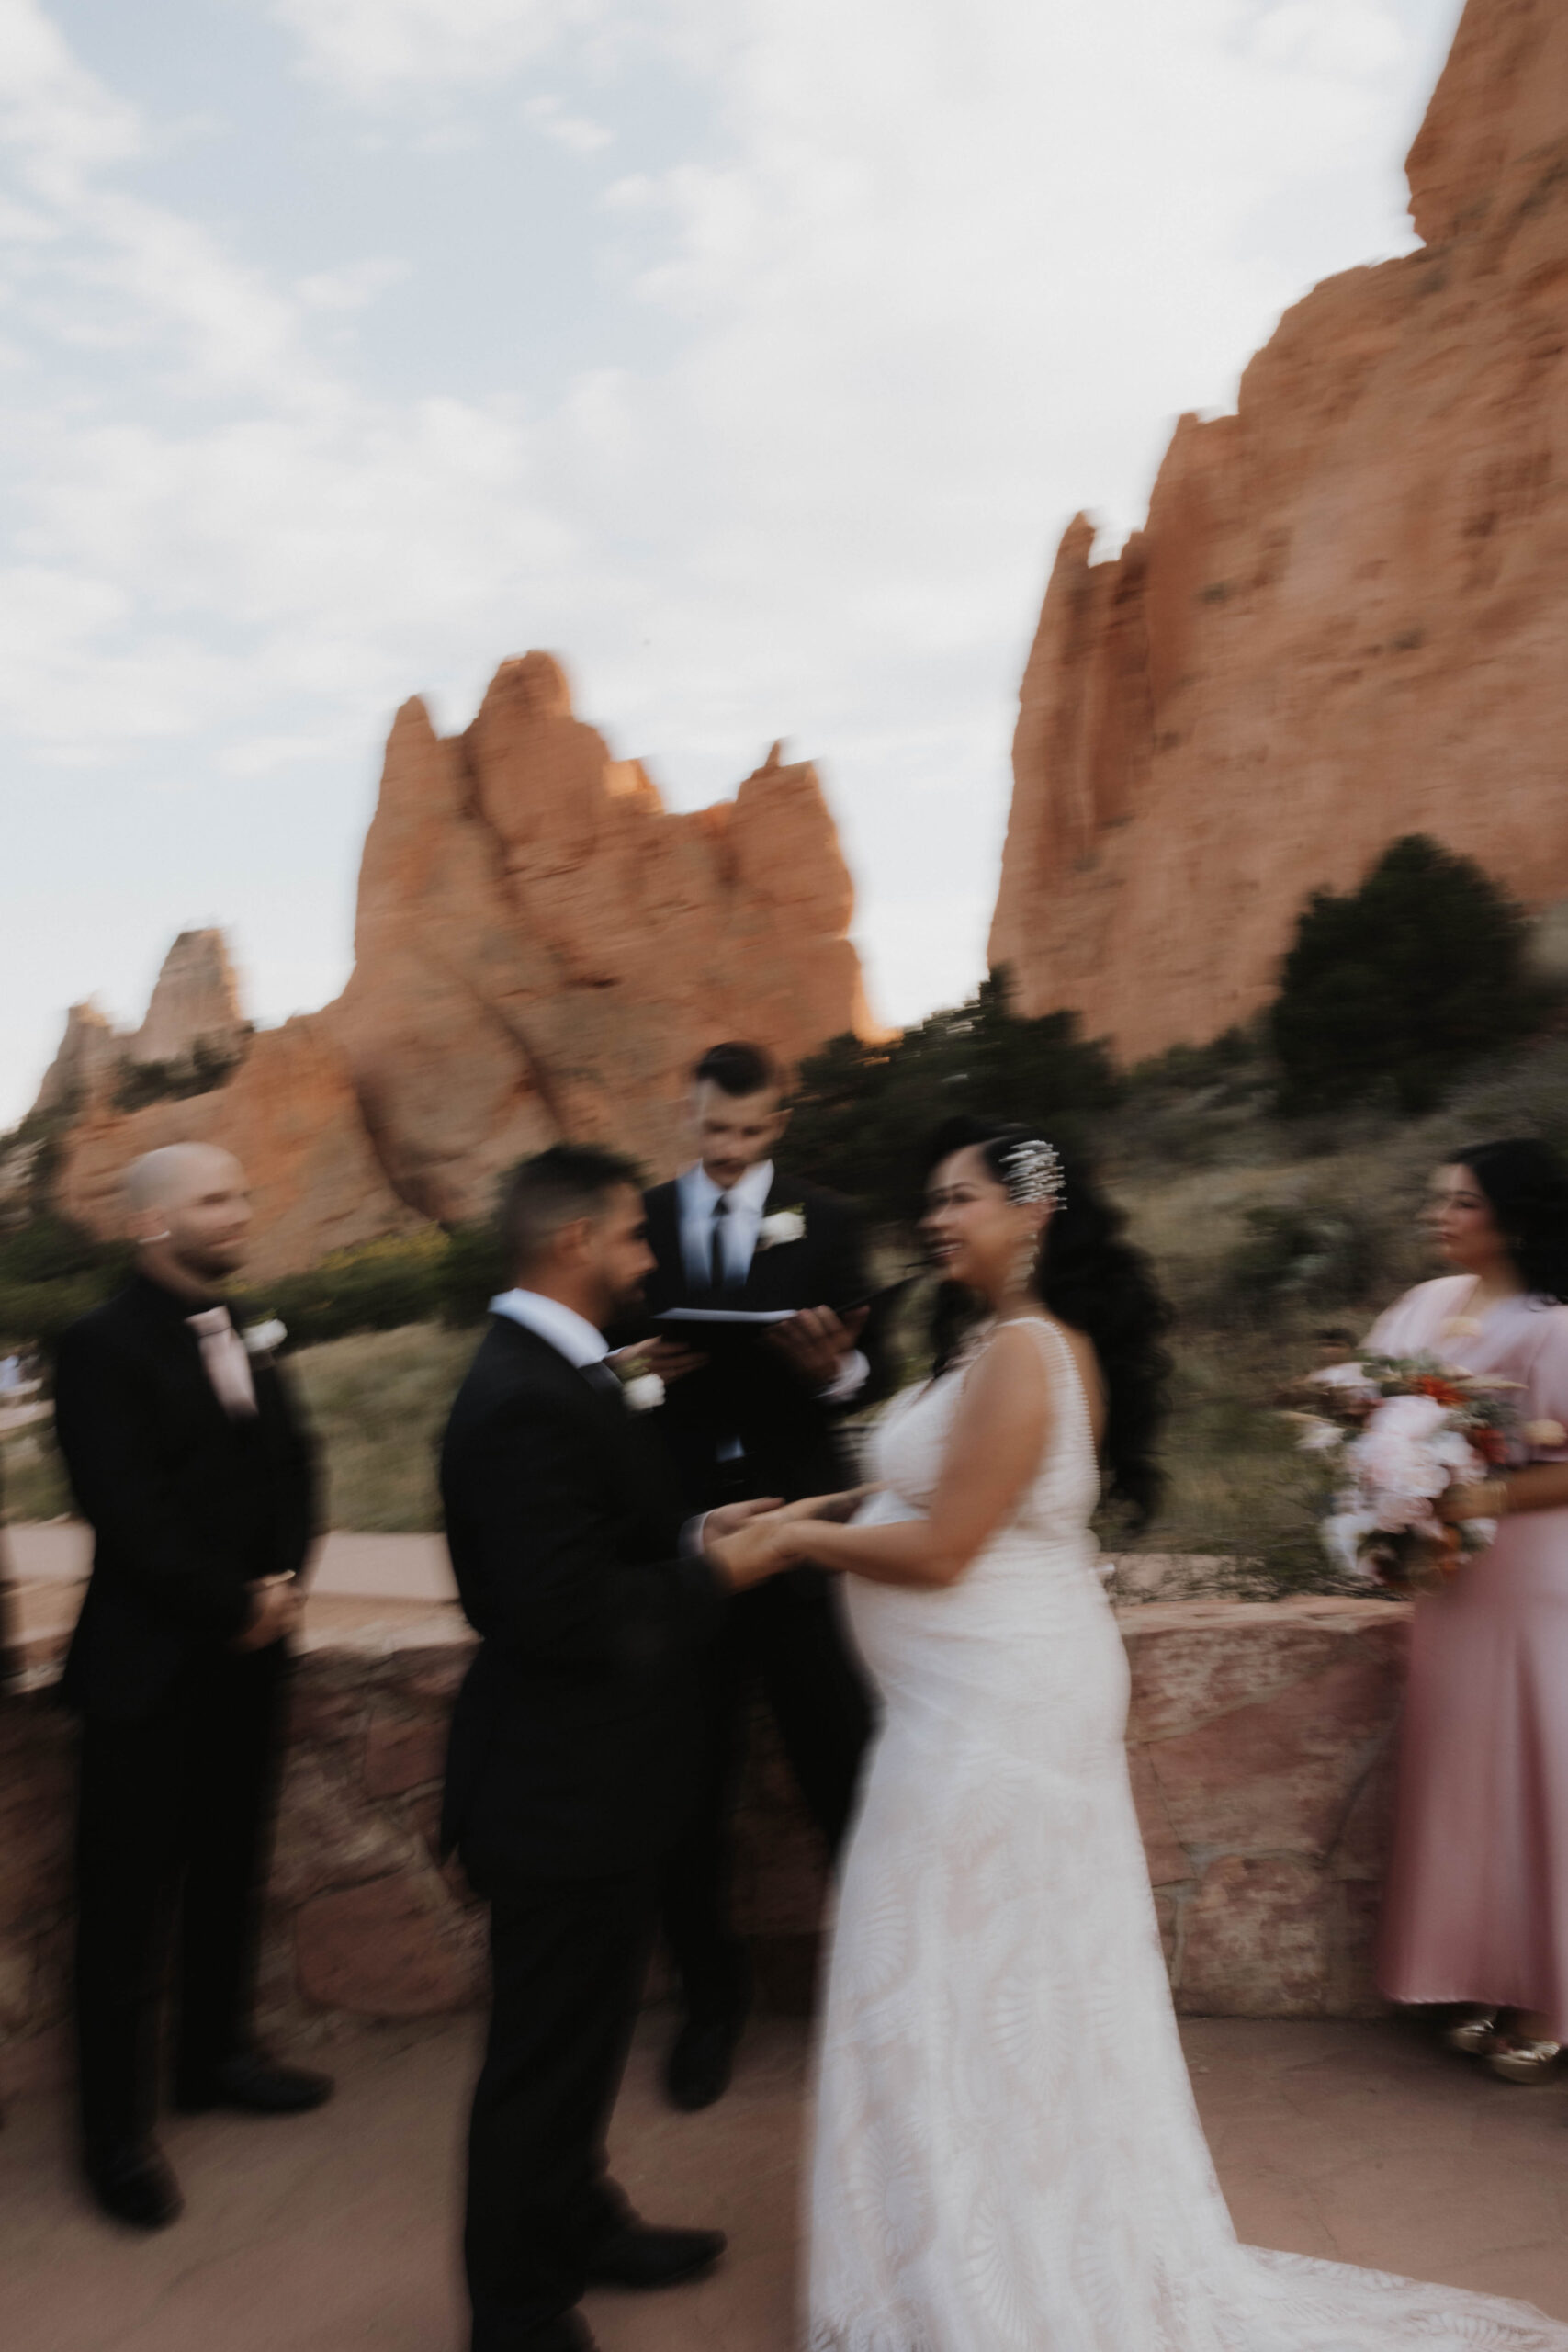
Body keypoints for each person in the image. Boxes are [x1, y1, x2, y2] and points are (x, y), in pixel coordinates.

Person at [750, 1116, 1568, 2350]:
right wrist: (818, 1500)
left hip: (996, 1711)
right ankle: (973, 2220)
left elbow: (943, 1544)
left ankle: (1000, 2251)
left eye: (957, 1196)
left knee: (972, 1964)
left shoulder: (1026, 1350)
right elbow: (921, 1489)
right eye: (929, 1197)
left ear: (1031, 1213)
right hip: (970, 1698)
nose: (933, 1216)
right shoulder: (989, 1344)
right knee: (975, 1966)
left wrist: (787, 1544)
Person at [439, 1144, 790, 2352]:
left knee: (580, 2044)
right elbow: (559, 1614)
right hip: (557, 1790)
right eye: (635, 1239)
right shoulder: (518, 1396)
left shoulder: (563, 1370)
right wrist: (712, 1572)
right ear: (575, 1242)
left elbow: (600, 1542)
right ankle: (517, 2315)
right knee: (541, 2062)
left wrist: (695, 1525)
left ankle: (579, 2222)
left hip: (599, 1779)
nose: (650, 1259)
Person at [52, 1143, 328, 2233]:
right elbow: (125, 1510)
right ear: (152, 1225)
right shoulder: (94, 1345)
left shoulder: (248, 1330)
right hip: (146, 1672)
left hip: (248, 1664)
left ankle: (216, 2058)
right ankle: (112, 2138)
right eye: (218, 1198)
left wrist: (287, 1589)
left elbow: (298, 1464)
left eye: (242, 1189)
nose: (241, 1209)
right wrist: (235, 1606)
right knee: (122, 1915)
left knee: (229, 1872)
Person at [628, 1039, 881, 2111]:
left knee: (843, 1758)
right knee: (688, 1777)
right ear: (685, 1112)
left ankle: (880, 1994)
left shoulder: (833, 1219)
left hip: (805, 1524)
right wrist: (635, 1374)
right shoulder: (636, 1218)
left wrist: (839, 1369)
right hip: (684, 1530)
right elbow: (596, 1359)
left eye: (750, 1132)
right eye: (711, 1130)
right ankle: (710, 2004)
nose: (729, 1152)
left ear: (781, 1120)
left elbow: (883, 1359)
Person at [1366, 1138, 1568, 2080]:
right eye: (1440, 1199)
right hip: (1444, 1580)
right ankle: (1482, 1973)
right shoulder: (1422, 1305)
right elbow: (1366, 1410)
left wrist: (1479, 1498)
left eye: (1464, 1203)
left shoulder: (1552, 1323)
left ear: (1515, 1218)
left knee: (1537, 1777)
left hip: (1528, 1578)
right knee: (1468, 1780)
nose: (1441, 1216)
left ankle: (1548, 1996)